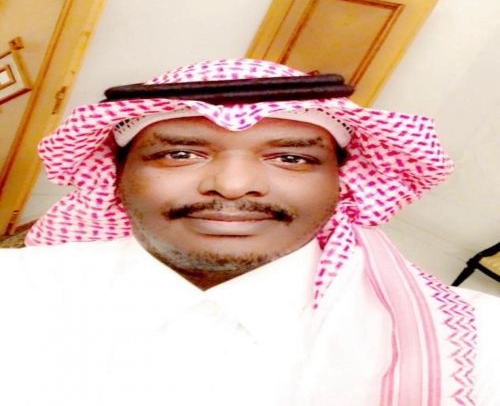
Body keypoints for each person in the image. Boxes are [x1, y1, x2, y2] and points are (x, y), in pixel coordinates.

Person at [1, 58, 498, 406]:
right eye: (180, 153)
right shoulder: (15, 288)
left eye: (291, 158)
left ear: (341, 181)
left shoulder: (478, 343)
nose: (234, 186)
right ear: (116, 175)